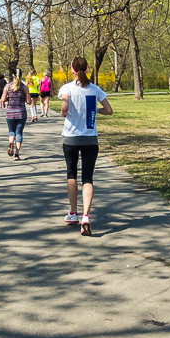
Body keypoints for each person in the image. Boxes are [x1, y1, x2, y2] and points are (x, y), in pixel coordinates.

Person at [59, 56, 113, 236]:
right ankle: (86, 216)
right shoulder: (95, 89)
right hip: (91, 139)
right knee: (88, 177)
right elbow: (109, 110)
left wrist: (64, 111)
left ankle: (73, 212)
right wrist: (94, 110)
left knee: (71, 173)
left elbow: (64, 109)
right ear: (87, 69)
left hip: (71, 139)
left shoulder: (66, 88)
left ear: (72, 70)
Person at [0, 69, 29, 160]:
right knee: (19, 133)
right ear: (21, 75)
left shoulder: (7, 86)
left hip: (10, 113)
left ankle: (11, 142)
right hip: (21, 113)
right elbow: (29, 101)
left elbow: (3, 99)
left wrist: (9, 97)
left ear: (13, 76)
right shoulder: (24, 87)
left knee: (11, 131)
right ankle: (17, 154)